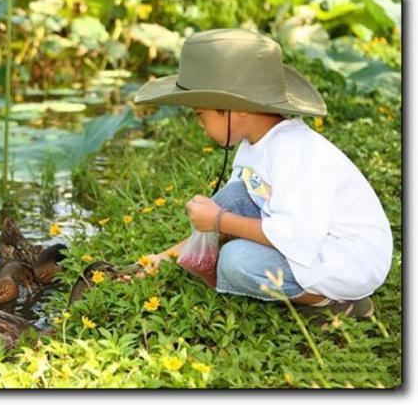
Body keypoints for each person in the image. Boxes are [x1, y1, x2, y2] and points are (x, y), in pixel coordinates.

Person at [133, 29, 393, 319]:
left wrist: (219, 220)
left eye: (199, 114)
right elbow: (230, 212)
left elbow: (295, 236)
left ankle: (333, 301)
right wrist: (163, 258)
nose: (199, 124)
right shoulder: (253, 145)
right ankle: (302, 288)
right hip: (308, 240)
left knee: (236, 261)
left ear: (235, 109)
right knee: (232, 197)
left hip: (346, 260)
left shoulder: (294, 151)